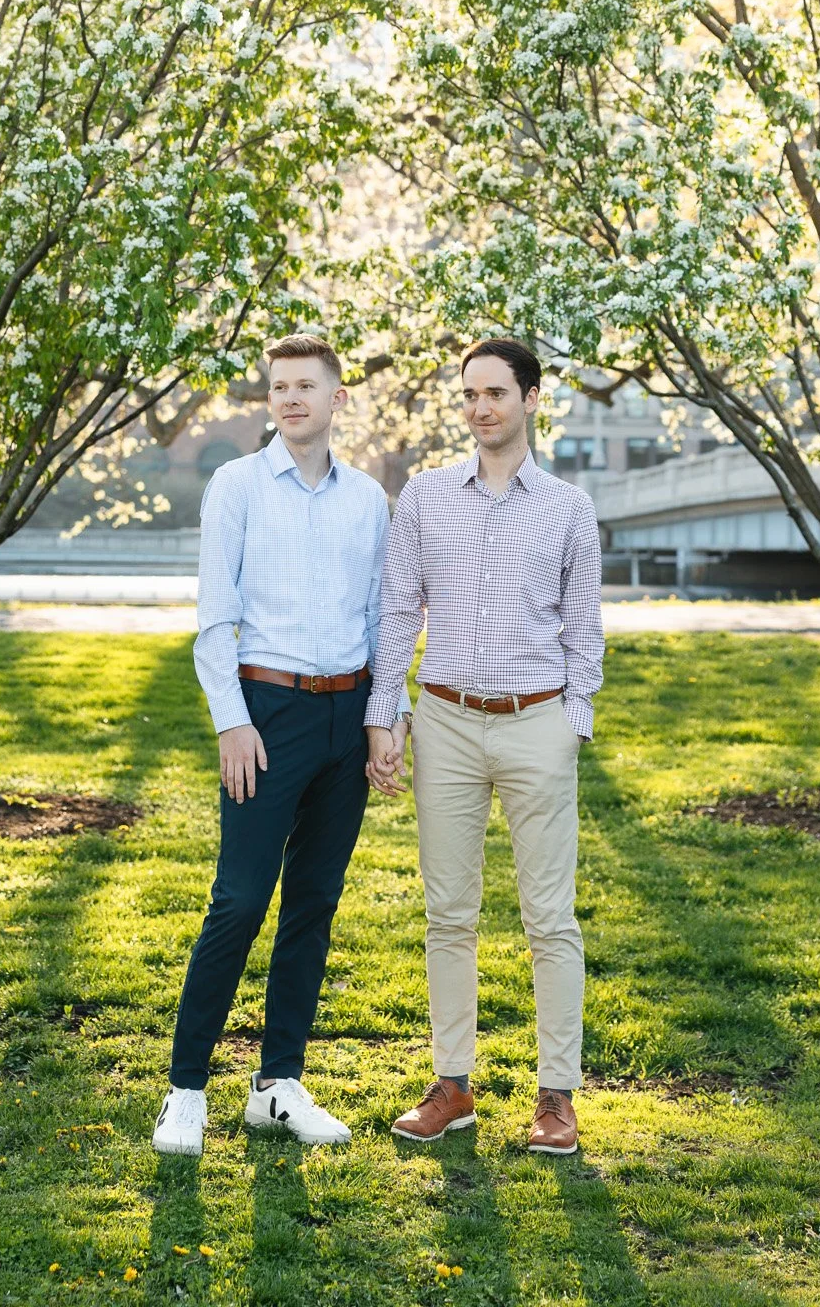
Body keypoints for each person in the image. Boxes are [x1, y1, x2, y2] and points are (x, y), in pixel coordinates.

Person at [152, 334, 407, 1158]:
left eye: (305, 386)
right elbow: (213, 618)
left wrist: (382, 717)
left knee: (314, 902)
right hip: (264, 714)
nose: (290, 398)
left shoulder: (368, 498)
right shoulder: (235, 486)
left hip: (346, 717)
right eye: (278, 387)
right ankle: (185, 1089)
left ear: (338, 400)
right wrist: (231, 719)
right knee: (238, 900)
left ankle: (277, 1085)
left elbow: (381, 620)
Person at [364, 338, 604, 1156]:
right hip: (447, 724)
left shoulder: (568, 508)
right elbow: (398, 612)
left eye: (496, 393)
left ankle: (556, 1100)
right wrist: (383, 712)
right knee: (448, 915)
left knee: (550, 919)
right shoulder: (425, 498)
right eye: (469, 394)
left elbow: (584, 627)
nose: (479, 408)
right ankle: (452, 1087)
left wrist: (575, 718)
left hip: (539, 723)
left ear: (532, 399)